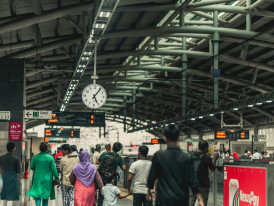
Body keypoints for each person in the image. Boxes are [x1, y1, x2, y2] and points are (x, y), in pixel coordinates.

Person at [146, 125, 204, 206]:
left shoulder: (159, 156)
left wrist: (148, 192)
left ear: (165, 138)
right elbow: (193, 179)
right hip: (181, 200)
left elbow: (151, 177)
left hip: (163, 200)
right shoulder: (186, 157)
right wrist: (200, 198)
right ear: (178, 138)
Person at [189, 140, 218, 206]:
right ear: (205, 148)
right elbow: (213, 168)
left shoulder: (191, 156)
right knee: (203, 203)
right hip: (203, 184)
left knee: (190, 202)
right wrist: (215, 159)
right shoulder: (207, 158)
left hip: (192, 183)